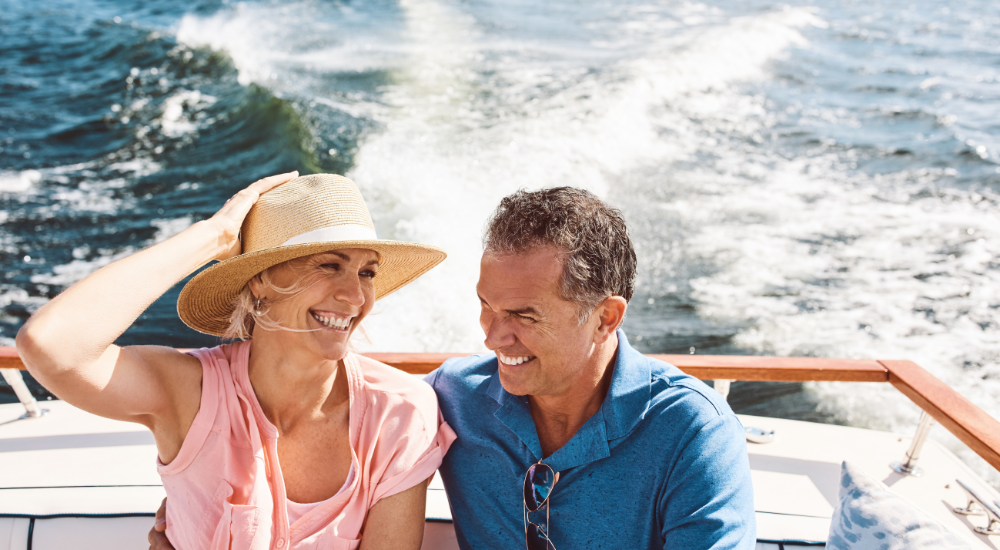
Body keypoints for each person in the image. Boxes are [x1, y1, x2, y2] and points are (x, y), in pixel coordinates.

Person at [17, 172, 455, 550]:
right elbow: (48, 345)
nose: (356, 296)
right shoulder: (189, 393)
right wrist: (214, 236)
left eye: (367, 272)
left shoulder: (400, 412)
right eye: (329, 266)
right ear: (261, 280)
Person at [425, 187, 756, 549]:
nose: (493, 338)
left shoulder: (695, 431)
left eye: (523, 315)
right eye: (487, 305)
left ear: (605, 319)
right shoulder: (452, 396)